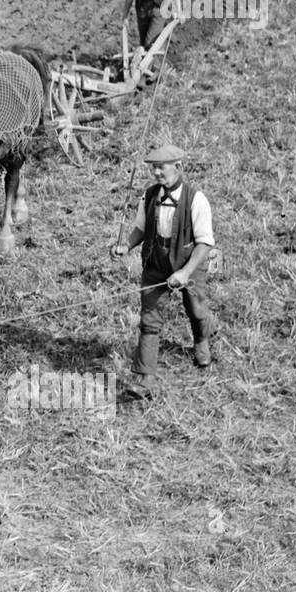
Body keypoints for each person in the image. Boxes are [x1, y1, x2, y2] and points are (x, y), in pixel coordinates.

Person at [111, 144, 217, 401]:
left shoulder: (196, 199)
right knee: (149, 320)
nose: (157, 173)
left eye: (162, 167)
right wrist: (127, 245)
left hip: (189, 261)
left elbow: (205, 243)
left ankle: (202, 341)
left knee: (197, 309)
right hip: (156, 264)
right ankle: (145, 379)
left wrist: (185, 272)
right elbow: (140, 227)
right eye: (153, 168)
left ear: (178, 167)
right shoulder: (149, 196)